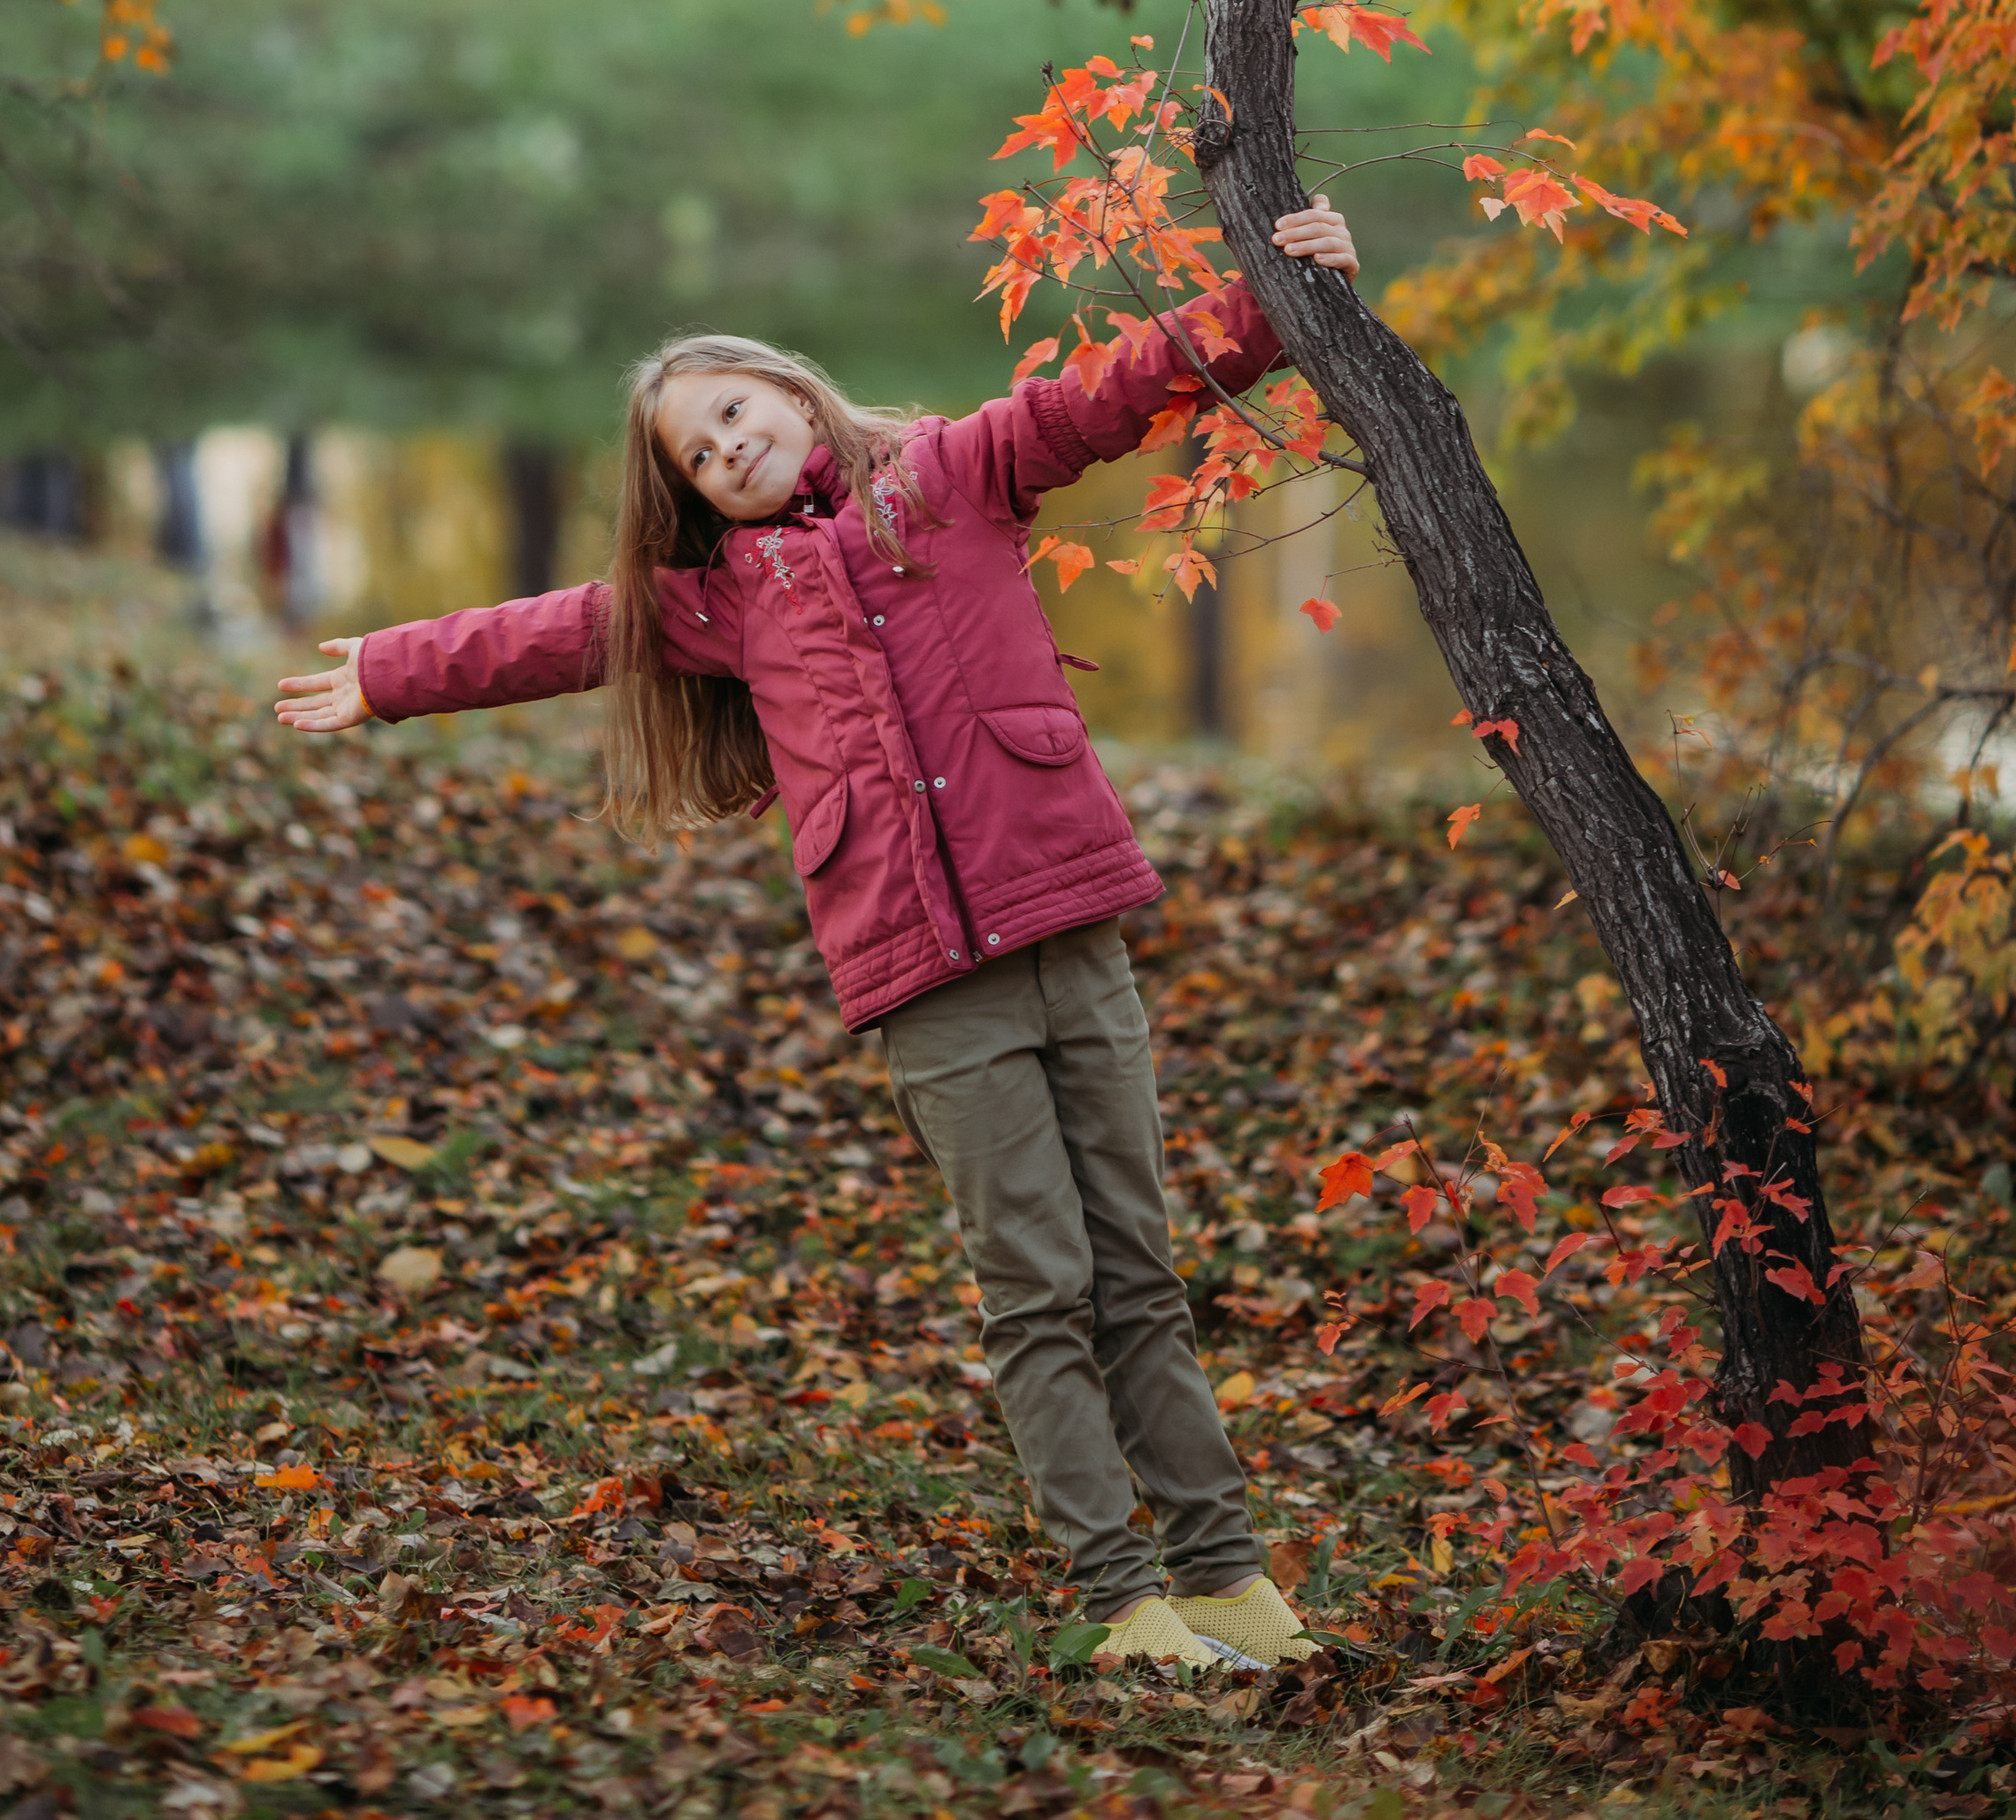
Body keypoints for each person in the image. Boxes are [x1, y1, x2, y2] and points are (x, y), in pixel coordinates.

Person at [276, 195, 1362, 1676]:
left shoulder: (958, 475)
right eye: (700, 457)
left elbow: (1114, 389)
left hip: (1065, 916)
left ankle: (1229, 1577)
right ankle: (1126, 1605)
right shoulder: (724, 603)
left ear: (789, 389)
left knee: (1139, 1271)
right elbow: (566, 628)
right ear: (696, 496)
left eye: (733, 414)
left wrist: (1270, 303)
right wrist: (395, 670)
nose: (728, 451)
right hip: (924, 975)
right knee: (1037, 1284)